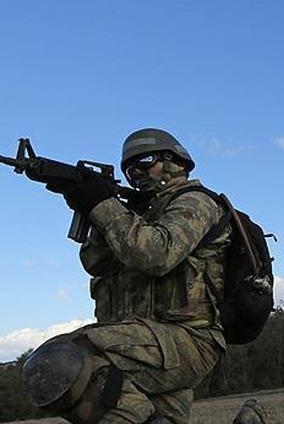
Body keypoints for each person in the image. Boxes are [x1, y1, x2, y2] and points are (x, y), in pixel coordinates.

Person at [19, 128, 266, 424]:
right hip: (147, 344)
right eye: (129, 169)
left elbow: (156, 254)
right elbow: (96, 263)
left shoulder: (196, 202)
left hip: (187, 341)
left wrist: (103, 205)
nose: (136, 173)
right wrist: (98, 209)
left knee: (60, 360)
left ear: (174, 161)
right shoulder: (137, 217)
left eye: (145, 161)